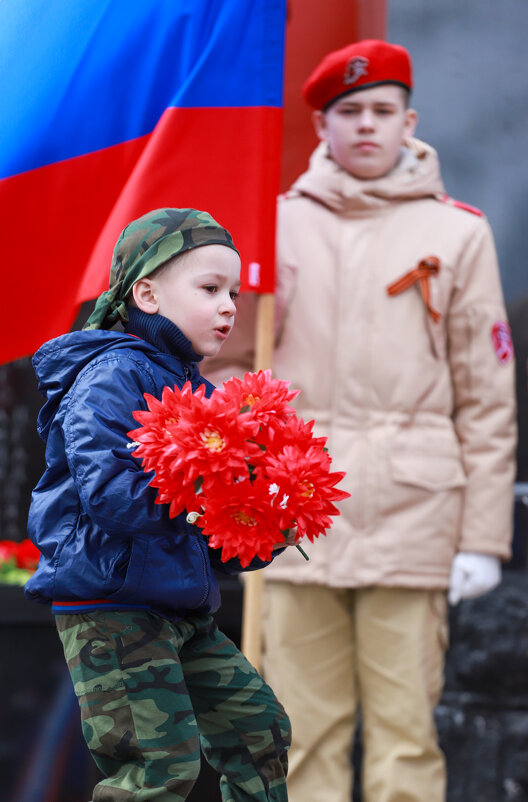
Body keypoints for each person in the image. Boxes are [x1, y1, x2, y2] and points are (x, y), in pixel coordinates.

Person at [201, 40, 517, 802]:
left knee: (406, 738)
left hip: (414, 515)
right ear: (322, 126)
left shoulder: (458, 235)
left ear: (409, 121)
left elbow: (487, 399)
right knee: (300, 733)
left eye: (382, 111)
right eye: (350, 112)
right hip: (296, 519)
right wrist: (242, 411)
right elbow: (220, 365)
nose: (367, 126)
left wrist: (482, 537)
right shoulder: (271, 228)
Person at [25, 208, 292, 802]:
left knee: (259, 733)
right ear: (146, 293)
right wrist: (206, 499)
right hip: (113, 607)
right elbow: (112, 497)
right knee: (156, 771)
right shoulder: (110, 376)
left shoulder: (195, 386)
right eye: (210, 288)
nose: (230, 306)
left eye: (234, 293)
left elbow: (212, 532)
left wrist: (260, 522)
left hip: (179, 607)